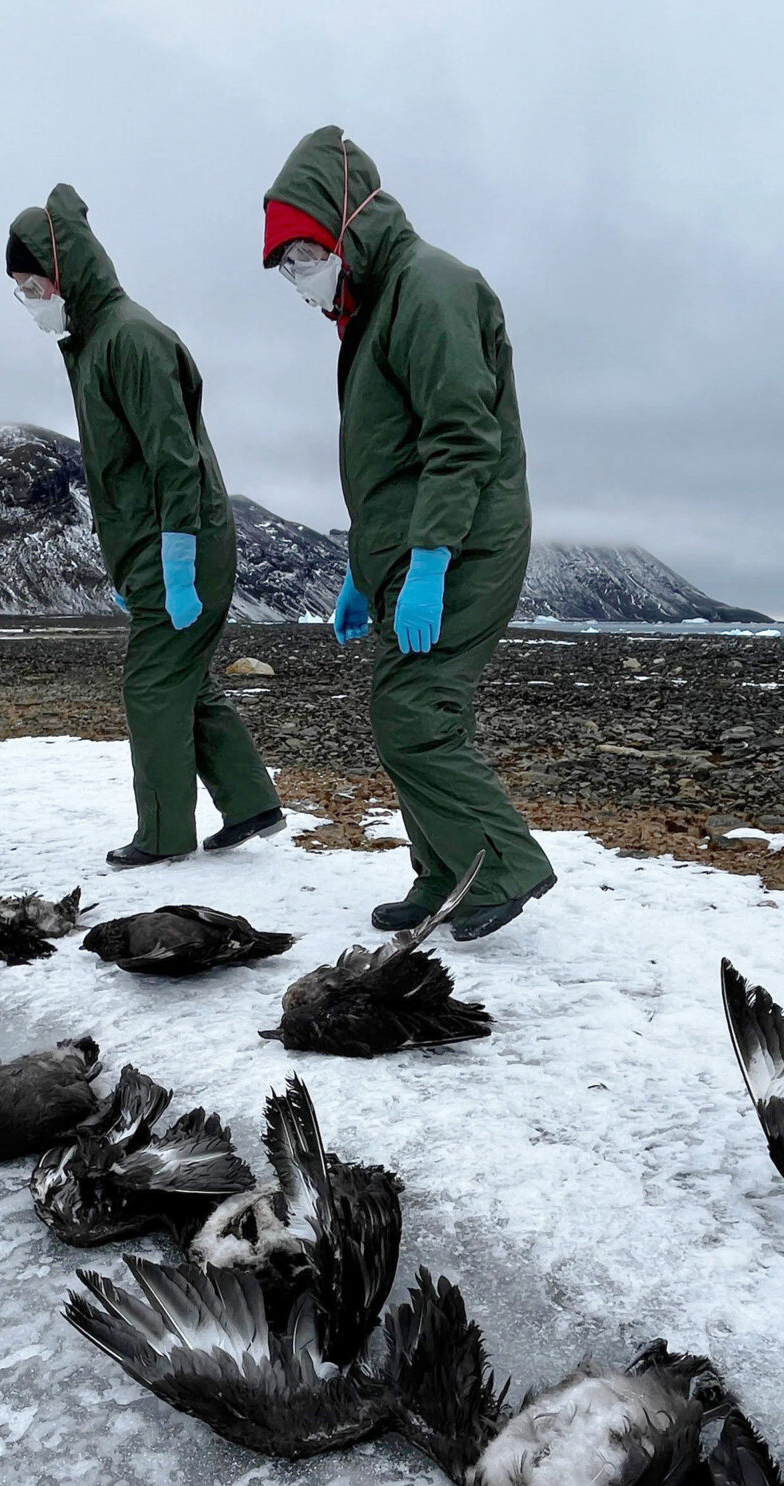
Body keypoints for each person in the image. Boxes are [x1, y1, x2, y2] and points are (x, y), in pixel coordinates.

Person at [261, 127, 555, 941]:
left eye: (304, 253)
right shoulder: (374, 305)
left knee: (413, 712)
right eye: (285, 264)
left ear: (346, 227)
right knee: (416, 714)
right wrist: (365, 571)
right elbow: (387, 466)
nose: (298, 276)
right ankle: (445, 874)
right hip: (414, 550)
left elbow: (459, 437)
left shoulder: (429, 288)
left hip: (464, 542)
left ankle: (504, 864)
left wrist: (429, 562)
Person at [7, 185, 284, 868]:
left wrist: (178, 559)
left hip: (182, 541)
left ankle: (162, 835)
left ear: (65, 272)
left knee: (153, 684)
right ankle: (251, 803)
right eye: (20, 291)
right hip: (157, 548)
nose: (30, 301)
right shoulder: (97, 342)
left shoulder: (129, 339)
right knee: (182, 676)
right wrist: (130, 567)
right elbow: (124, 473)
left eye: (34, 286)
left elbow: (172, 457)